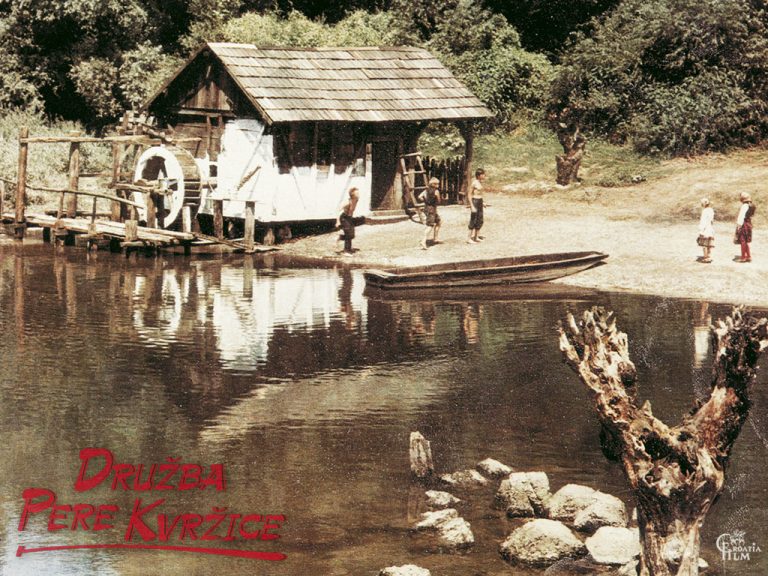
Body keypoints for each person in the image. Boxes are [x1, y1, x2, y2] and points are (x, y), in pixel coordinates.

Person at [418, 177, 441, 250]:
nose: (438, 185)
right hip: (432, 209)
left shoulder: (426, 190)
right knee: (430, 225)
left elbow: (419, 197)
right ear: (433, 184)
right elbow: (439, 201)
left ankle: (435, 238)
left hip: (427, 208)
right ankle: (423, 241)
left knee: (438, 222)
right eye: (437, 184)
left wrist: (425, 201)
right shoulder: (436, 191)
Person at [336, 187, 359, 255]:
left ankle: (341, 237)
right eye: (357, 193)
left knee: (352, 235)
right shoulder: (347, 202)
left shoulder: (356, 199)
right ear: (352, 195)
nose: (359, 194)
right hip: (344, 218)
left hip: (349, 218)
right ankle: (346, 251)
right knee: (348, 234)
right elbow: (338, 211)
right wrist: (338, 221)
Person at [735, 191, 756, 263]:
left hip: (744, 224)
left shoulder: (744, 206)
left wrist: (739, 225)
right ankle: (749, 256)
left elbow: (741, 216)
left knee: (743, 240)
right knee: (746, 241)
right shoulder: (751, 205)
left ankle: (743, 257)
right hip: (748, 223)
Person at [467, 168, 486, 243]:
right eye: (482, 174)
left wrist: (483, 203)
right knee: (473, 220)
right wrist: (472, 206)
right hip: (475, 201)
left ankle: (476, 236)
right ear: (478, 175)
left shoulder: (480, 182)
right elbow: (469, 194)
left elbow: (480, 194)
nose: (484, 176)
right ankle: (469, 238)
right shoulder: (474, 183)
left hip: (479, 201)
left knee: (480, 219)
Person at [697, 198, 714, 263]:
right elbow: (712, 220)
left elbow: (703, 221)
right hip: (710, 228)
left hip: (705, 229)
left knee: (704, 244)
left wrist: (701, 230)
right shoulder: (711, 210)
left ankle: (706, 257)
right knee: (709, 243)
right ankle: (709, 256)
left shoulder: (704, 211)